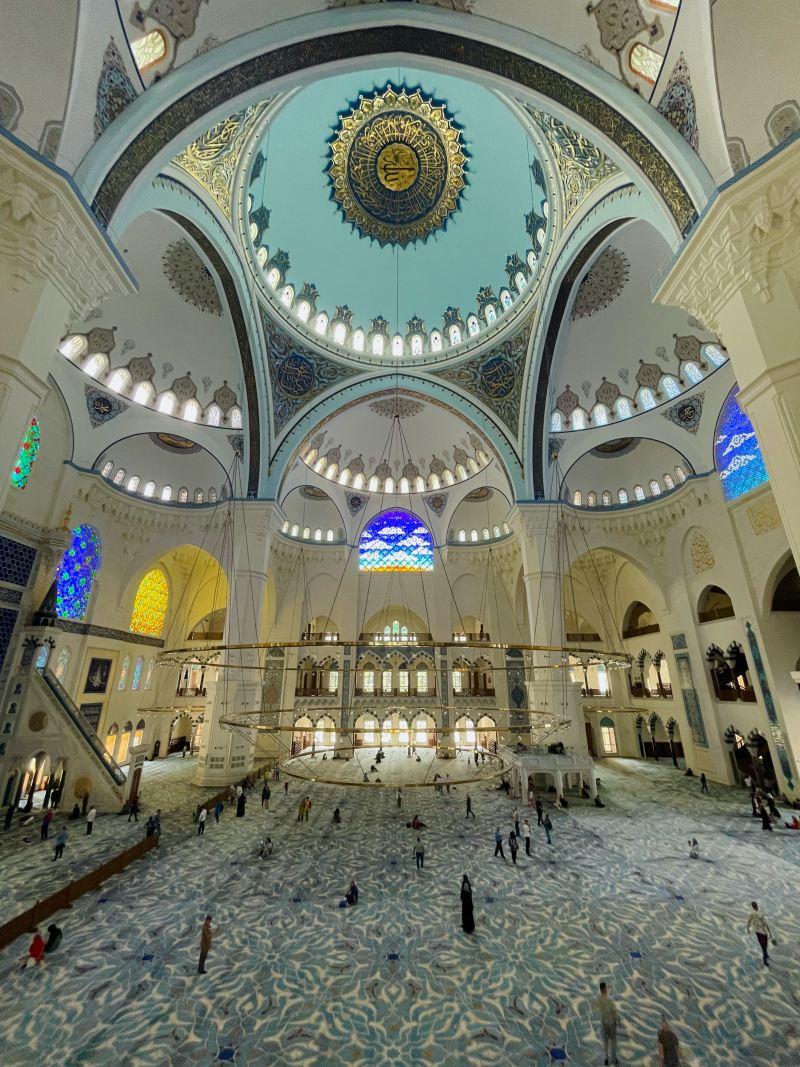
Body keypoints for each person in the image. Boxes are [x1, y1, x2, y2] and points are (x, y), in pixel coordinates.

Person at [594, 981, 619, 1066]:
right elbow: (613, 1011)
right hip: (611, 1023)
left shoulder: (598, 998)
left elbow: (596, 1007)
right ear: (605, 988)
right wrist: (617, 1020)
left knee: (605, 1042)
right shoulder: (609, 999)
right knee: (613, 1041)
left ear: (600, 989)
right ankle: (614, 1058)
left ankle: (606, 1058)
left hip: (603, 1022)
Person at [747, 901, 775, 967]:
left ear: (752, 907)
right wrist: (769, 932)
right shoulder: (760, 913)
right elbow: (765, 923)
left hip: (757, 931)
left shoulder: (751, 913)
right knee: (764, 946)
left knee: (763, 945)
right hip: (763, 931)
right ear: (757, 906)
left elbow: (749, 921)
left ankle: (766, 956)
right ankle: (765, 960)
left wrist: (747, 928)